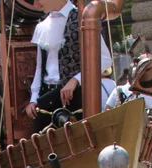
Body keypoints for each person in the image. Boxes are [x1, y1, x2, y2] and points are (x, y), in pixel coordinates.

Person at [25, 0, 113, 133]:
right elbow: (40, 66)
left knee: (78, 143)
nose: (35, 4)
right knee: (41, 147)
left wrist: (76, 79)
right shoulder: (42, 25)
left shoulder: (83, 18)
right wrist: (33, 98)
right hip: (47, 96)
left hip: (74, 97)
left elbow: (105, 59)